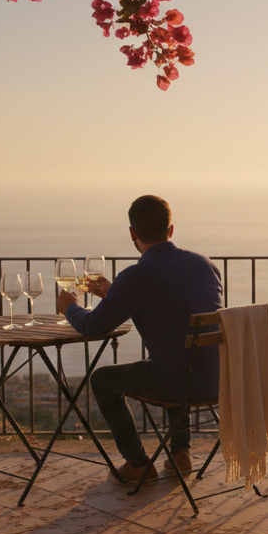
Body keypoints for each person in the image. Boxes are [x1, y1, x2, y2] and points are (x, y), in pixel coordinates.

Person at [57, 195, 223, 485]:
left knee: (102, 379)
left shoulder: (137, 275)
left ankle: (137, 464)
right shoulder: (203, 264)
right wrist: (116, 295)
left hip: (177, 383)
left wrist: (68, 307)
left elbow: (93, 326)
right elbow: (171, 307)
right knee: (180, 355)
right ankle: (179, 454)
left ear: (133, 233)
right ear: (170, 230)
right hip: (221, 378)